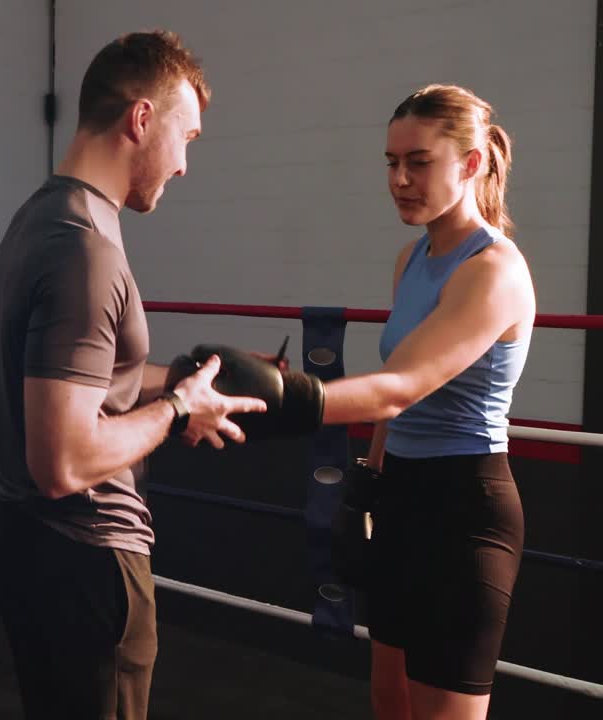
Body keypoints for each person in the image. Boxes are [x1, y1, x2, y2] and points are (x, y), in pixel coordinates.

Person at [174, 84, 533, 720]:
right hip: (401, 499)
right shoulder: (412, 258)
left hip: (463, 509)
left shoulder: (494, 270)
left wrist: (281, 401)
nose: (399, 179)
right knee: (389, 704)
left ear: (472, 163)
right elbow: (394, 400)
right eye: (391, 163)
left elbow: (401, 385)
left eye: (418, 162)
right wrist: (368, 487)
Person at [0, 30, 268, 720]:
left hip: (32, 544)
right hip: (86, 553)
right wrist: (173, 411)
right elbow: (65, 460)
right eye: (187, 138)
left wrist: (190, 386)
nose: (185, 165)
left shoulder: (42, 218)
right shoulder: (85, 251)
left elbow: (81, 382)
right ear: (141, 120)